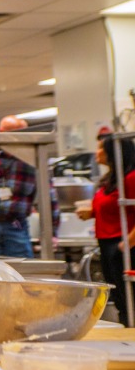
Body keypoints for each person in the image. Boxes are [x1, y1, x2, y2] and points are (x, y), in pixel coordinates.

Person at [0, 115, 59, 258]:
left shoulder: (32, 158)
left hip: (15, 224)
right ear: (1, 132)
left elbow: (50, 196)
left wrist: (52, 233)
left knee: (22, 269)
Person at [76, 132, 135, 325]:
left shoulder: (131, 177)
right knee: (119, 295)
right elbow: (114, 208)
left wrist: (127, 244)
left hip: (124, 243)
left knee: (130, 297)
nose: (97, 152)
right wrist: (92, 212)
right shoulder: (111, 178)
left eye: (102, 148)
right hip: (108, 241)